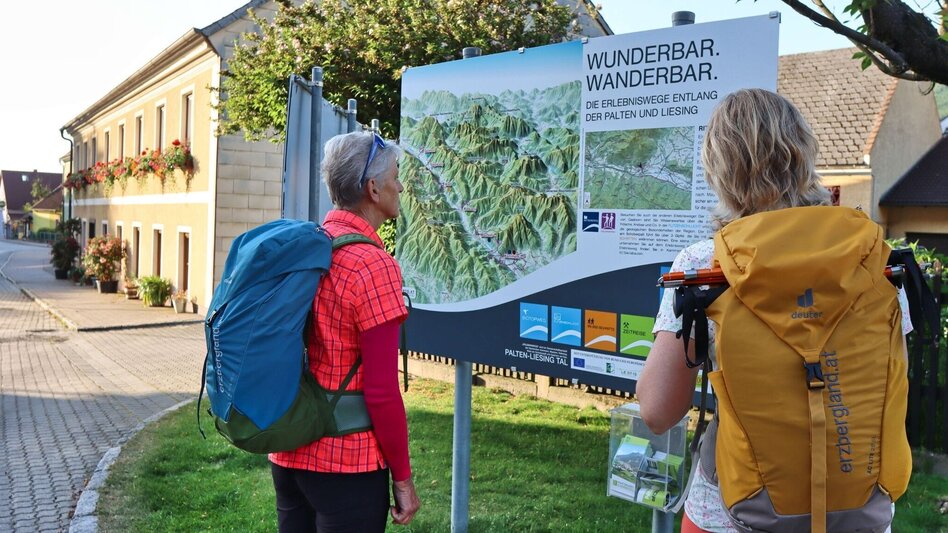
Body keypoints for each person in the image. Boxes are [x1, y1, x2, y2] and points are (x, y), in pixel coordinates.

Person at [635, 89, 912, 533]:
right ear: (804, 154)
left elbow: (658, 409)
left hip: (732, 513)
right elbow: (887, 376)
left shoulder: (706, 265)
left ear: (718, 169)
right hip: (858, 509)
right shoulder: (873, 257)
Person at [268, 131, 420, 531]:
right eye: (396, 175)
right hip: (346, 463)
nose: (400, 185)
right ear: (373, 188)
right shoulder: (372, 265)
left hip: (288, 451)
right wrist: (402, 480)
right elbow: (382, 390)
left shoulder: (304, 248)